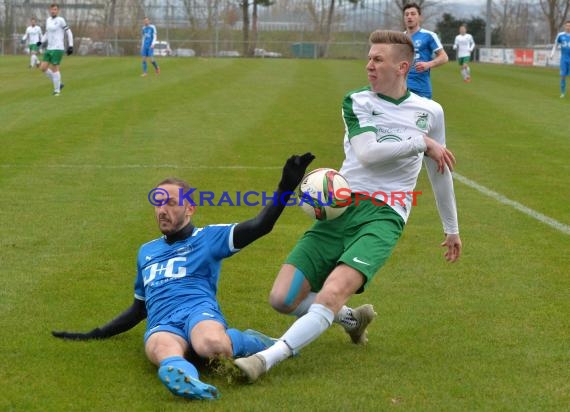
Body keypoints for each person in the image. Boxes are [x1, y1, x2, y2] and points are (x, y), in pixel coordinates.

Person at [234, 30, 462, 383]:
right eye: (369, 57)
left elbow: (440, 170)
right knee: (281, 299)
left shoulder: (431, 112)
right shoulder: (356, 100)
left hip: (385, 215)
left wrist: (452, 228)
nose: (369, 64)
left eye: (378, 59)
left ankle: (266, 359)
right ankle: (352, 320)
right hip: (340, 207)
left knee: (332, 292)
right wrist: (421, 142)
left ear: (402, 67)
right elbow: (368, 154)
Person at [52, 153, 315, 400]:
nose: (162, 210)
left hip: (198, 312)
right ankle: (191, 382)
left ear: (189, 209)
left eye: (170, 203)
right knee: (159, 348)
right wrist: (94, 333)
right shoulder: (146, 251)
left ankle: (253, 341)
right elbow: (138, 309)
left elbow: (261, 226)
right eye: (158, 202)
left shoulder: (209, 238)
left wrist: (284, 188)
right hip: (162, 322)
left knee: (211, 346)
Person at [403, 2, 448, 99]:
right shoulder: (400, 37)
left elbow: (444, 57)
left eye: (413, 14)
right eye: (406, 14)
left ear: (420, 17)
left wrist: (428, 64)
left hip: (421, 88)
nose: (409, 17)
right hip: (401, 87)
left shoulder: (429, 35)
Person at [38, 3, 73, 96]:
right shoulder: (48, 20)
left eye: (55, 9)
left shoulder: (61, 20)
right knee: (43, 68)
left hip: (58, 48)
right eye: (52, 9)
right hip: (49, 48)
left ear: (58, 11)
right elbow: (46, 33)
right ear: (50, 10)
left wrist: (71, 46)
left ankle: (57, 91)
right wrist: (40, 42)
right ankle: (59, 83)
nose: (53, 11)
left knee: (55, 68)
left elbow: (69, 32)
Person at [550, 20, 570, 98]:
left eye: (569, 25)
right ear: (565, 26)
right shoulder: (560, 35)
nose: (568, 27)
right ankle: (562, 93)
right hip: (564, 59)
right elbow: (555, 45)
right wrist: (552, 54)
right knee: (563, 76)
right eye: (567, 25)